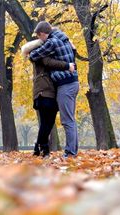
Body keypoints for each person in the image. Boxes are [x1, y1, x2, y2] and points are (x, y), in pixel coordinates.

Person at [29, 21, 79, 158]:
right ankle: (72, 151)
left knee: (67, 120)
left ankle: (70, 153)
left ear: (43, 34)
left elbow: (33, 56)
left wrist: (35, 50)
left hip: (65, 84)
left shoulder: (51, 42)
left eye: (40, 37)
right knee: (70, 119)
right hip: (73, 83)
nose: (40, 39)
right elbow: (73, 52)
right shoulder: (64, 39)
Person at [21, 39, 75, 158]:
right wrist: (67, 65)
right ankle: (43, 149)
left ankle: (38, 148)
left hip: (46, 91)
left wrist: (73, 50)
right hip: (44, 92)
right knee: (47, 122)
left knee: (47, 123)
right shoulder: (40, 55)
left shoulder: (39, 53)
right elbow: (49, 62)